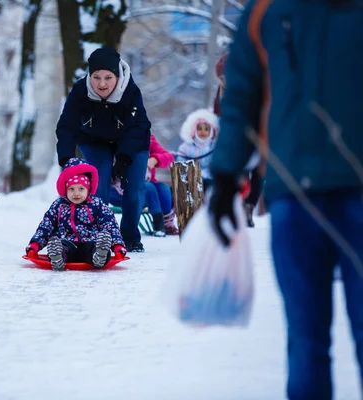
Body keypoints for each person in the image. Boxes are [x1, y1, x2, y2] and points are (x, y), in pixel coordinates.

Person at [208, 2, 363, 399]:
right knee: (306, 337)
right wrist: (226, 173)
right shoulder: (267, 10)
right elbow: (240, 93)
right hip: (294, 194)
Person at [56, 46, 151, 252]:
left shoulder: (130, 92)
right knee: (98, 182)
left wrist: (124, 159)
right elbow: (67, 126)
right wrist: (66, 160)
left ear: (117, 76)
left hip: (132, 142)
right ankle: (99, 236)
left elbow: (137, 128)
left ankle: (129, 236)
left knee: (134, 189)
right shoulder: (81, 92)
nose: (102, 83)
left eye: (108, 77)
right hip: (94, 140)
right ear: (90, 75)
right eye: (96, 77)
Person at [25, 158, 126, 271]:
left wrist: (117, 245)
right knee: (62, 246)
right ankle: (58, 257)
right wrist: (35, 245)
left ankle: (99, 255)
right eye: (71, 189)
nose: (76, 193)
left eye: (81, 189)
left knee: (96, 247)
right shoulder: (59, 205)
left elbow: (110, 225)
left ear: (88, 189)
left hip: (90, 242)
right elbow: (46, 226)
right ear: (65, 189)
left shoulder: (96, 204)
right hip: (67, 243)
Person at [214, 51, 263, 228]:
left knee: (257, 173)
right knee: (238, 173)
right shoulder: (220, 93)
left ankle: (249, 206)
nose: (224, 81)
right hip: (234, 139)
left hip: (255, 135)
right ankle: (238, 206)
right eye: (221, 78)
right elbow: (217, 115)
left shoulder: (249, 88)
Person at [109, 134, 179, 236]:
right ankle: (158, 223)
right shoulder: (114, 139)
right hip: (119, 190)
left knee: (163, 189)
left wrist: (155, 159)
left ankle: (166, 222)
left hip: (147, 190)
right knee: (148, 187)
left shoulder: (146, 138)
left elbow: (168, 157)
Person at [175, 109, 219, 192]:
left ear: (212, 131)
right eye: (199, 129)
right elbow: (180, 161)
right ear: (193, 129)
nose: (203, 131)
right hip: (191, 179)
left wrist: (206, 173)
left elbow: (217, 163)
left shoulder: (214, 147)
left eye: (206, 129)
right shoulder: (186, 147)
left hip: (210, 179)